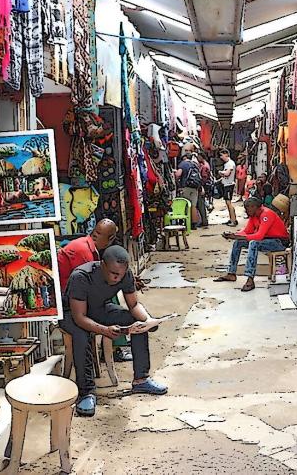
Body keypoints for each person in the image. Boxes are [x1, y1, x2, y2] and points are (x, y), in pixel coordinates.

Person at [60, 246, 167, 417]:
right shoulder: (81, 277)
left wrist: (147, 320)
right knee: (81, 335)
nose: (117, 278)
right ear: (102, 265)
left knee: (136, 322)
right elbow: (79, 317)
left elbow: (133, 305)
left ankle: (141, 378)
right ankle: (86, 392)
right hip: (71, 314)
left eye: (121, 275)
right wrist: (104, 330)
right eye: (113, 274)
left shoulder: (125, 274)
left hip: (98, 308)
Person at [57, 220, 133, 362]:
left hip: (77, 298)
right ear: (110, 239)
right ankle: (115, 348)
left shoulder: (87, 246)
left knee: (125, 313)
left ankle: (117, 346)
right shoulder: (83, 252)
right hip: (68, 304)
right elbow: (87, 288)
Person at [215, 198, 289, 292]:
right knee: (238, 242)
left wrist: (238, 236)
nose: (246, 211)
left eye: (248, 209)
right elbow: (247, 231)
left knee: (254, 243)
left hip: (278, 242)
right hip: (267, 239)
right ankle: (231, 273)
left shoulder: (266, 214)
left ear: (255, 207)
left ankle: (250, 278)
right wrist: (234, 235)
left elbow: (259, 236)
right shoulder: (254, 215)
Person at [175, 154, 202, 229]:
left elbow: (178, 174)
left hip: (186, 187)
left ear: (184, 158)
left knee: (185, 205)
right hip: (195, 187)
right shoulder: (195, 164)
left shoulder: (183, 164)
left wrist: (176, 178)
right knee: (193, 206)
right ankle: (194, 224)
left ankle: (186, 224)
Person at [218, 149, 238, 226]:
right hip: (227, 184)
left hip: (229, 185)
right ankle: (231, 219)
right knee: (227, 202)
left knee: (229, 202)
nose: (221, 157)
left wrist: (220, 172)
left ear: (226, 154)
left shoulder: (230, 164)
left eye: (221, 155)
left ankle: (233, 220)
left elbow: (227, 173)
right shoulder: (227, 164)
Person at [197, 154, 212, 227]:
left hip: (203, 186)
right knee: (202, 203)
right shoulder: (204, 165)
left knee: (201, 203)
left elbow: (204, 177)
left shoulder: (204, 166)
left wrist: (201, 186)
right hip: (204, 185)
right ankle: (203, 220)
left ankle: (203, 220)